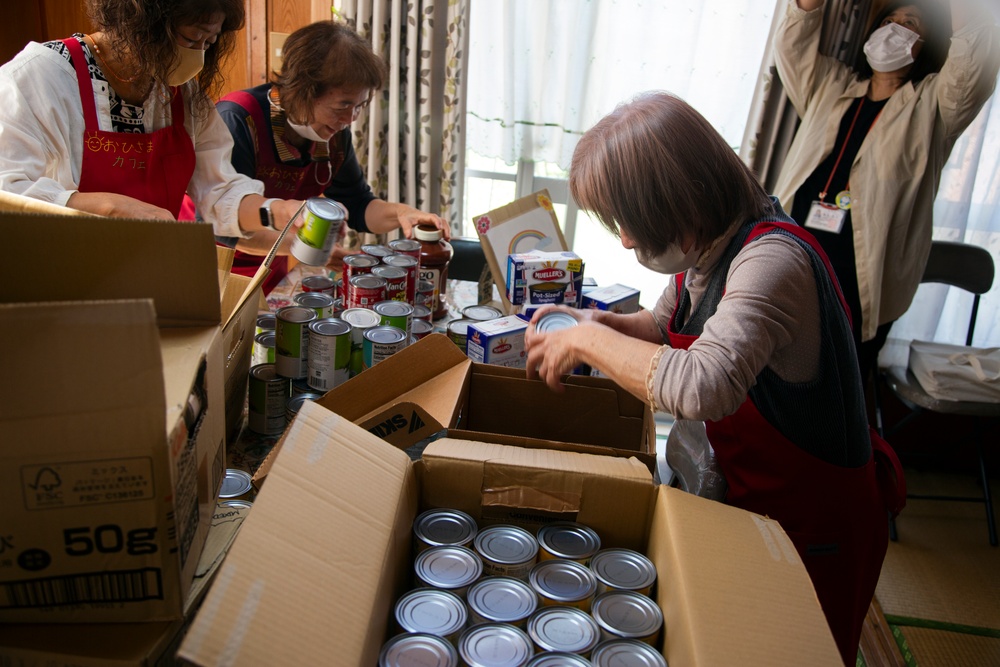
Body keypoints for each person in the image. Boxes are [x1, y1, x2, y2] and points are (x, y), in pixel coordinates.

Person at [524, 92, 905, 666]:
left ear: (675, 203)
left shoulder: (770, 261)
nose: (625, 239)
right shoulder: (708, 250)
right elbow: (659, 325)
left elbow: (705, 385)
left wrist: (586, 342)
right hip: (754, 502)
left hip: (816, 525)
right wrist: (597, 323)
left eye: (628, 221)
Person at [773, 0, 1000, 382]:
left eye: (909, 23)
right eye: (888, 20)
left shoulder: (932, 104)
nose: (893, 28)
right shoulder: (833, 85)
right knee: (771, 364)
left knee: (834, 384)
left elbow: (972, 68)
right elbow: (791, 46)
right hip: (794, 255)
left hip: (859, 277)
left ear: (926, 44)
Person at [0, 0, 305, 243]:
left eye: (208, 43)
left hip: (148, 267)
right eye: (191, 38)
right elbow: (9, 197)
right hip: (64, 276)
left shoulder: (180, 92)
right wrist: (112, 209)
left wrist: (278, 212)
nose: (197, 57)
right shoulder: (39, 77)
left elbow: (220, 191)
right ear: (140, 22)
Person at [213, 21, 450, 293]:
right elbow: (223, 228)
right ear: (304, 91)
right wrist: (306, 248)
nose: (350, 119)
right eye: (343, 105)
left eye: (359, 105)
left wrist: (403, 213)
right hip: (217, 269)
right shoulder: (239, 119)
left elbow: (359, 205)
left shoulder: (332, 134)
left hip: (272, 270)